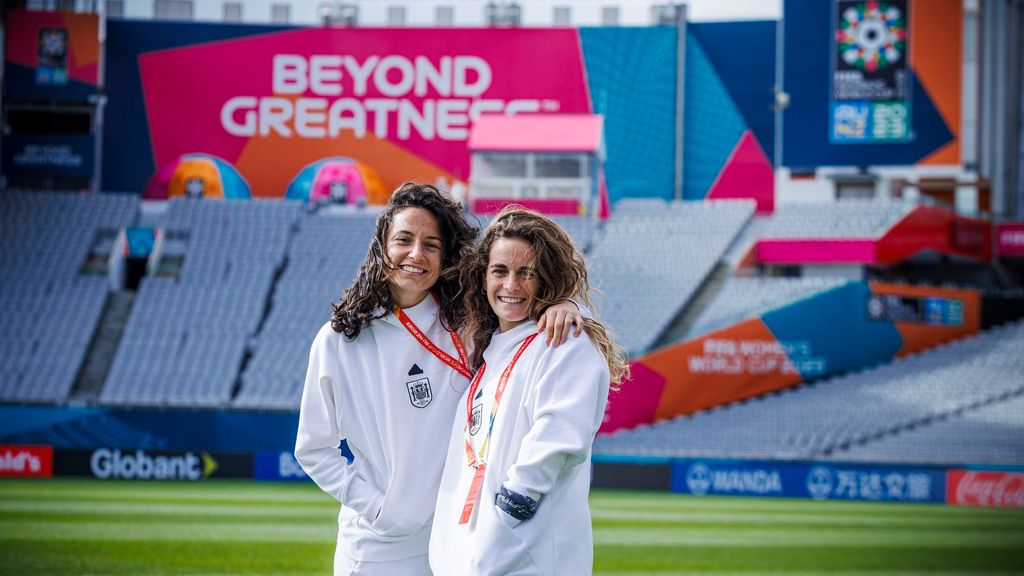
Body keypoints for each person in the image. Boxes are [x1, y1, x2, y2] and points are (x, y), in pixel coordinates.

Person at [294, 184, 583, 576]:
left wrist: (566, 303)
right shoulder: (339, 340)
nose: (416, 254)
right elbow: (313, 449)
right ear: (382, 245)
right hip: (379, 546)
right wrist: (380, 508)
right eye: (404, 240)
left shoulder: (467, 320)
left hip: (459, 540)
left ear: (444, 256)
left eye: (431, 244)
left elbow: (519, 295)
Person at [429, 206, 630, 575]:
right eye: (500, 271)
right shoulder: (490, 351)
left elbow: (557, 442)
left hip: (527, 559)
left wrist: (504, 519)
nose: (511, 285)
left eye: (528, 273)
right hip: (483, 557)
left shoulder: (564, 341)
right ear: (483, 276)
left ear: (547, 278)